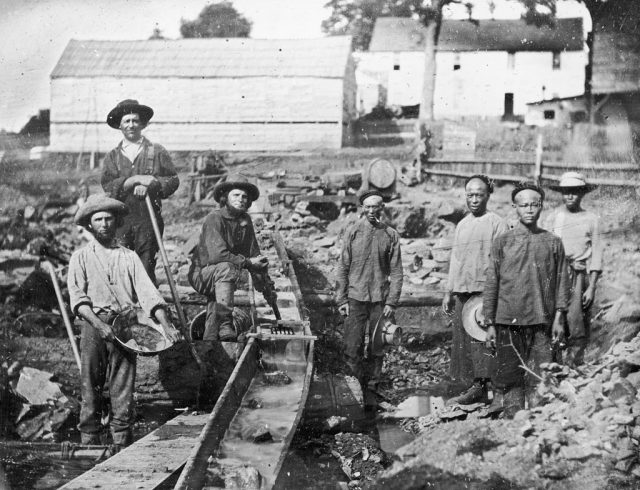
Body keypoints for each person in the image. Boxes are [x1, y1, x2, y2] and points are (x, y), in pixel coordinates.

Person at [67, 194, 182, 446]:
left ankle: (121, 444)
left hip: (125, 327)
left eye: (109, 219)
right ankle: (89, 442)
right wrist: (99, 326)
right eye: (98, 220)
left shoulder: (129, 257)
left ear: (116, 222)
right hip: (93, 324)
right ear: (90, 225)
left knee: (122, 388)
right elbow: (77, 298)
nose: (104, 224)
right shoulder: (81, 257)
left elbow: (149, 295)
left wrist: (166, 325)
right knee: (91, 384)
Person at [483, 182, 570, 417]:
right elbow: (492, 283)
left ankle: (539, 426)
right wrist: (490, 322)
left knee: (541, 376)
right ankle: (514, 424)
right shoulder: (502, 242)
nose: (529, 209)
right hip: (508, 323)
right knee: (511, 377)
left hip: (542, 321)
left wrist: (560, 317)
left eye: (534, 204)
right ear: (515, 207)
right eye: (524, 205)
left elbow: (563, 282)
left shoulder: (553, 242)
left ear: (541, 206)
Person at [443, 175, 508, 405]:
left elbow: (503, 262)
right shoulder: (462, 224)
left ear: (488, 195)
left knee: (485, 339)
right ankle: (476, 387)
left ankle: (496, 390)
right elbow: (456, 259)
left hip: (484, 293)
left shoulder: (496, 223)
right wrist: (449, 291)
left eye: (479, 195)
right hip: (463, 290)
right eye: (469, 195)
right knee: (465, 342)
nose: (474, 199)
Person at [336, 190, 403, 408]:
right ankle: (355, 392)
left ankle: (372, 389)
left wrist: (391, 302)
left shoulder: (391, 234)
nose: (372, 211)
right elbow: (343, 267)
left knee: (377, 346)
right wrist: (341, 300)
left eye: (376, 206)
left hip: (380, 301)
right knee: (352, 346)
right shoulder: (353, 232)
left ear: (382, 208)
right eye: (367, 206)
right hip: (355, 298)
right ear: (362, 208)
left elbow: (397, 272)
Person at [102, 99, 179, 285]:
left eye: (135, 121)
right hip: (121, 221)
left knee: (145, 268)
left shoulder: (156, 151)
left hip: (148, 220)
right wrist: (132, 181)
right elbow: (108, 185)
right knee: (121, 267)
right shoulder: (113, 156)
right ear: (119, 125)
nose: (131, 125)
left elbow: (172, 180)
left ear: (143, 124)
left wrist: (152, 183)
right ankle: (126, 311)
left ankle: (148, 310)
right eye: (126, 121)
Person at [188, 174, 273, 342]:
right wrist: (248, 263)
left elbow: (254, 254)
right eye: (236, 195)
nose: (241, 199)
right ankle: (226, 323)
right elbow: (217, 255)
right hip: (202, 274)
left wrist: (265, 284)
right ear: (225, 197)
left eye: (244, 197)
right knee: (227, 268)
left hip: (221, 275)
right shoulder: (215, 218)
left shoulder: (245, 220)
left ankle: (210, 344)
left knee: (215, 307)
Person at [544, 172, 602, 366]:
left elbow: (597, 254)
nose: (570, 196)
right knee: (554, 317)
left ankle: (574, 365)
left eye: (574, 192)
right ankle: (554, 365)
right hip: (557, 274)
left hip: (578, 276)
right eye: (566, 192)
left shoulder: (591, 219)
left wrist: (591, 286)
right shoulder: (555, 218)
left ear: (582, 194)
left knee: (576, 320)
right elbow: (547, 249)